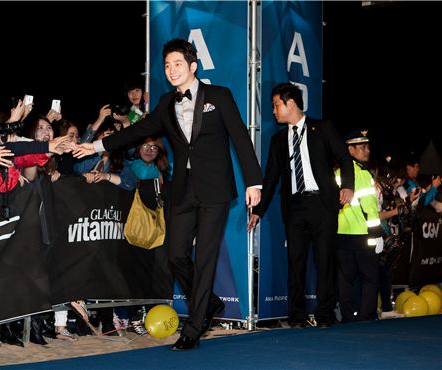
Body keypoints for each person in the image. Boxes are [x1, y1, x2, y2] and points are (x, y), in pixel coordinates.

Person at [74, 38, 263, 350]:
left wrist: (253, 182)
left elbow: (240, 138)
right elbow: (136, 131)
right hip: (183, 190)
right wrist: (95, 146)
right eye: (167, 65)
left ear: (192, 66)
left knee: (205, 258)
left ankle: (194, 325)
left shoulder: (219, 96)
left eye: (178, 64)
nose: (172, 70)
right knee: (175, 256)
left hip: (216, 189)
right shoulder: (165, 103)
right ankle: (210, 303)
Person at [248, 82, 354, 328]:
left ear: (291, 103)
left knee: (324, 261)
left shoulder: (323, 128)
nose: (273, 111)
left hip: (323, 204)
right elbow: (271, 178)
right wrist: (259, 212)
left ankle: (325, 315)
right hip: (294, 208)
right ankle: (296, 317)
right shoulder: (277, 141)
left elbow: (344, 157)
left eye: (276, 105)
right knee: (295, 262)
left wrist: (347, 186)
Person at [335, 130, 382, 322]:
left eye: (367, 146)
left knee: (345, 279)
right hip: (362, 234)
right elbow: (369, 206)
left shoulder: (337, 172)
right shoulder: (362, 173)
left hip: (341, 233)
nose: (367, 150)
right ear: (350, 150)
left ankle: (347, 316)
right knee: (370, 278)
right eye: (362, 147)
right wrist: (377, 233)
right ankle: (366, 317)